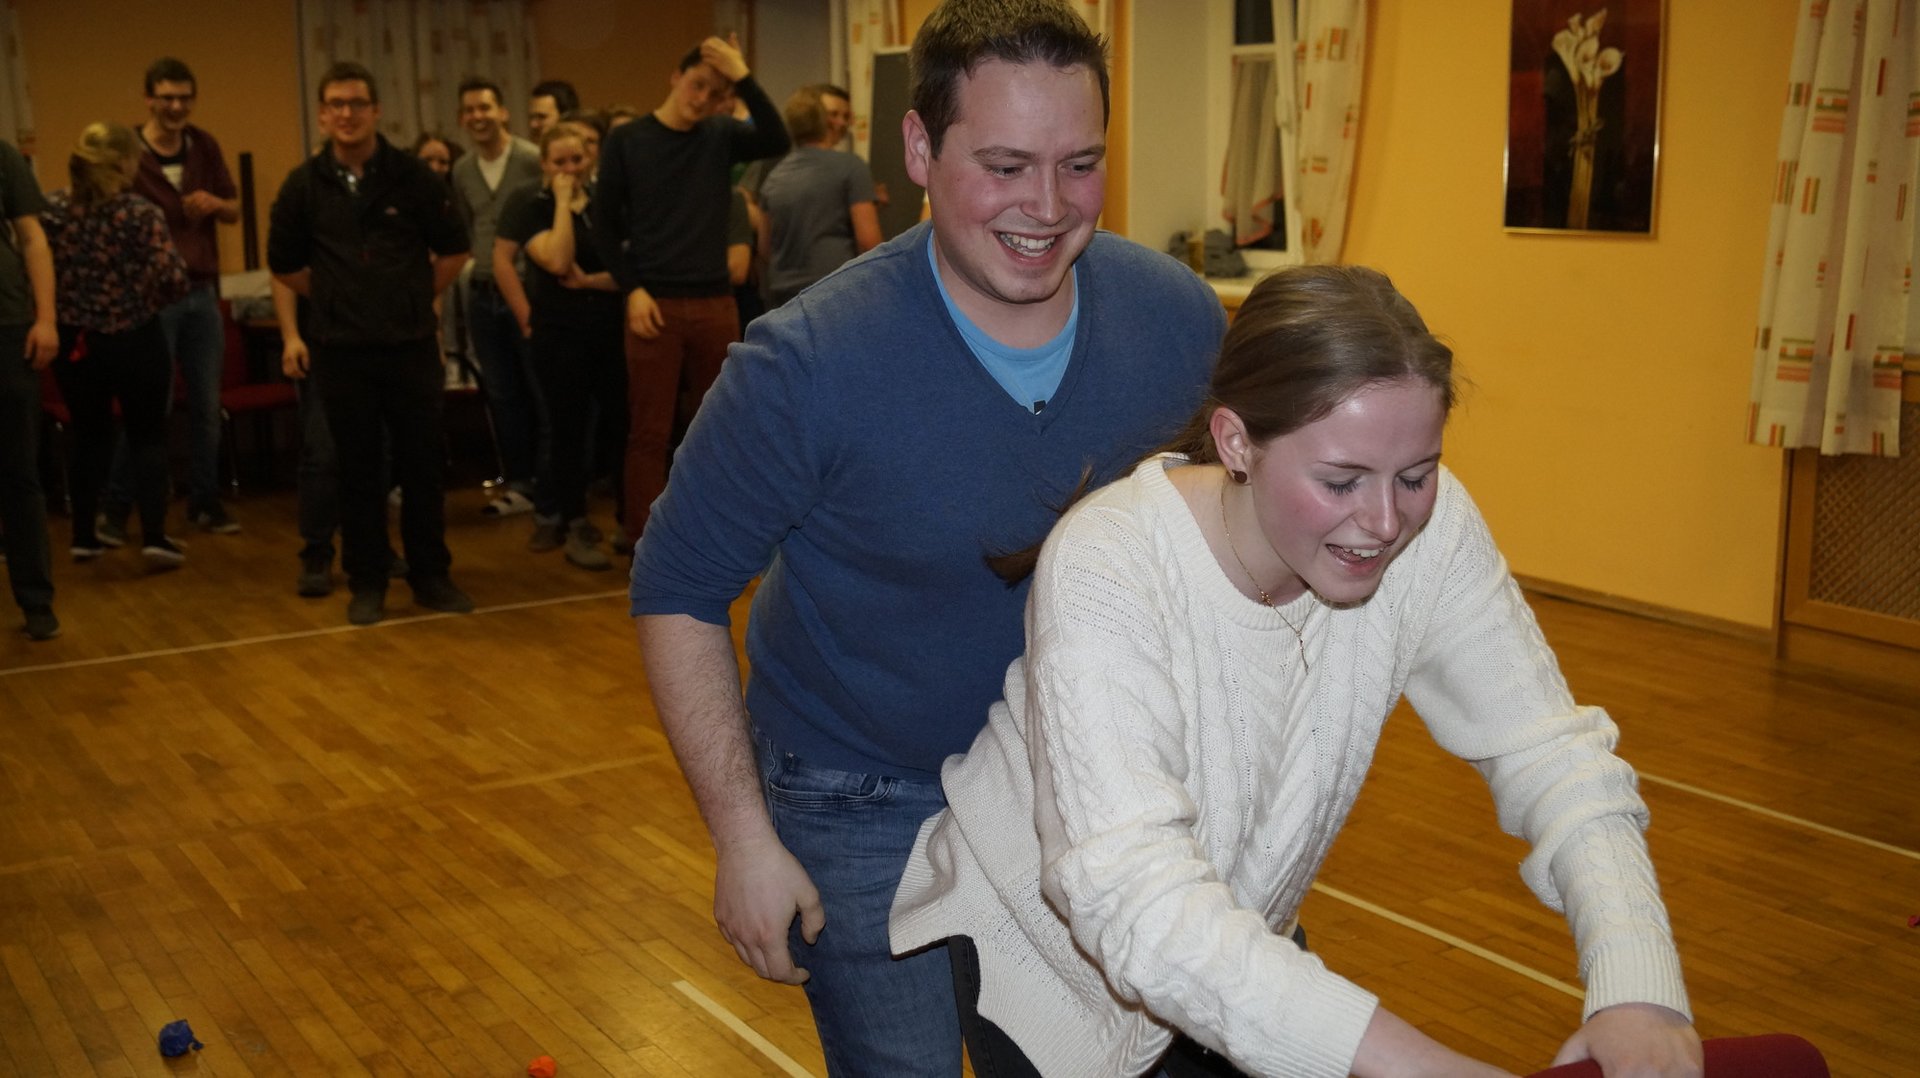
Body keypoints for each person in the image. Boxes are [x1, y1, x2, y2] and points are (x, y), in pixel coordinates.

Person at [889, 266, 1703, 1078]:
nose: (1384, 522)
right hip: (1055, 971)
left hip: (1236, 933)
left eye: (1416, 475)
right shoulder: (1111, 561)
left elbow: (1552, 754)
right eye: (1341, 481)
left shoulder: (1432, 533)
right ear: (1236, 443)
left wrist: (1640, 989)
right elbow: (1131, 892)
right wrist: (1426, 1067)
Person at [627, 2, 1226, 1074]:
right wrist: (744, 837)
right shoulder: (805, 363)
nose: (1048, 207)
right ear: (918, 149)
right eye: (1004, 166)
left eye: (1080, 164)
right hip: (861, 798)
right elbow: (677, 589)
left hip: (1077, 789)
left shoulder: (1178, 321)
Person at [267, 61, 472, 626]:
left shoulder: (413, 176)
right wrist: (339, 297)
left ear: (377, 110)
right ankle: (368, 580)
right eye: (336, 104)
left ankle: (431, 576)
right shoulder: (303, 184)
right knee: (356, 469)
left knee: (422, 465)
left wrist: (408, 295)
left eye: (357, 103)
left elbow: (455, 249)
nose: (347, 114)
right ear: (322, 114)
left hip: (409, 344)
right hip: (341, 349)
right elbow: (283, 264)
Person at [591, 33, 788, 539]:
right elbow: (603, 224)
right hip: (653, 302)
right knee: (649, 431)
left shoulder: (719, 134)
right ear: (675, 77)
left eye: (715, 93)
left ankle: (720, 538)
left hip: (714, 301)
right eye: (697, 85)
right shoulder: (628, 140)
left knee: (721, 427)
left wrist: (742, 74)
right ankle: (645, 543)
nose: (701, 99)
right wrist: (632, 289)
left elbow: (776, 139)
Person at [94, 58, 241, 543]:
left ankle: (205, 501)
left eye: (184, 98)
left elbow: (234, 207)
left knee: (206, 405)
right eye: (167, 98)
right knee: (148, 406)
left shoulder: (205, 145)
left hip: (202, 292)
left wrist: (215, 204)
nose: (176, 107)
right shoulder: (129, 151)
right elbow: (104, 210)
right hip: (150, 300)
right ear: (149, 99)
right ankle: (117, 507)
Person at [41, 122, 191, 570]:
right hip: (135, 337)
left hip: (76, 344)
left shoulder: (52, 210)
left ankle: (84, 537)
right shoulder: (139, 213)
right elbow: (173, 278)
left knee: (89, 436)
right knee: (147, 436)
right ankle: (154, 537)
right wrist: (147, 296)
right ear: (126, 162)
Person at [496, 124, 625, 570]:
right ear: (544, 164)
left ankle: (630, 522)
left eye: (577, 160)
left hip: (609, 328)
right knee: (567, 430)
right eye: (559, 162)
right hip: (558, 334)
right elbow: (556, 258)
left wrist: (591, 282)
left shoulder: (608, 202)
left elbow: (630, 268)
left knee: (621, 424)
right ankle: (572, 523)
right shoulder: (532, 204)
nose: (570, 169)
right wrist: (564, 206)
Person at [451, 76, 546, 519]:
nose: (478, 117)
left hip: (528, 289)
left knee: (539, 389)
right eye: (469, 110)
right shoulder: (462, 170)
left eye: (485, 108)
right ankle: (520, 483)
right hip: (482, 293)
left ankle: (551, 484)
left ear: (503, 112)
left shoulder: (530, 159)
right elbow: (468, 227)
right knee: (502, 393)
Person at [0, 137, 60, 640]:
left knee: (19, 472)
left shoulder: (2, 156)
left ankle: (36, 600)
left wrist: (46, 318)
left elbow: (32, 237)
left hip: (8, 325)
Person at [757, 85, 882, 308]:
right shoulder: (851, 166)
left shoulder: (773, 177)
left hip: (783, 299)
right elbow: (868, 242)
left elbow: (765, 249)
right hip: (834, 293)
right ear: (822, 120)